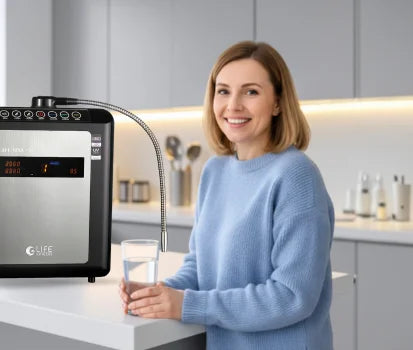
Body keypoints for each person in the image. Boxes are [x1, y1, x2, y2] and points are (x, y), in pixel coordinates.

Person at [118, 41, 334, 350]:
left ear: (277, 103)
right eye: (223, 91)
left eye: (251, 92)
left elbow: (291, 296)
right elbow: (200, 266)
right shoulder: (214, 172)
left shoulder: (296, 176)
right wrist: (160, 293)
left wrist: (187, 304)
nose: (233, 105)